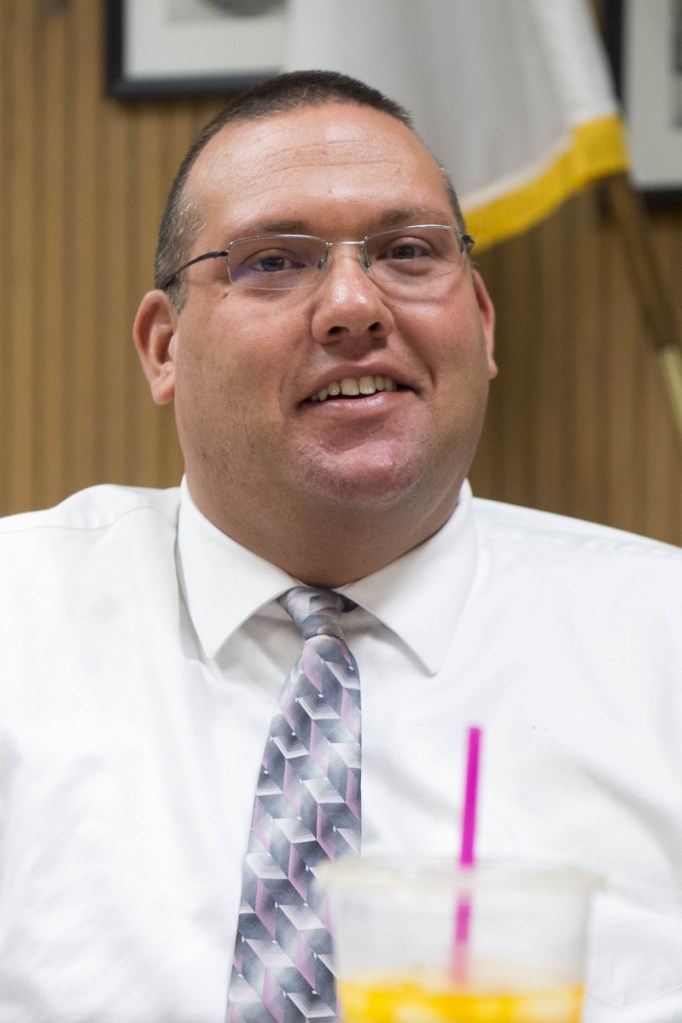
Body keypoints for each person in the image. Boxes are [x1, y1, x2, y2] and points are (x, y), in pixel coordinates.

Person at [1, 69, 682, 1023]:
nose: (354, 305)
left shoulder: (665, 644)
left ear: (481, 324)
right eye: (275, 261)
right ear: (163, 348)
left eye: (408, 251)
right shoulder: (14, 626)